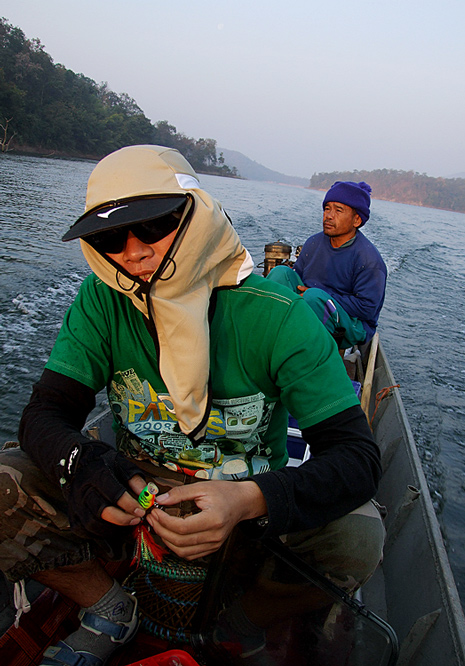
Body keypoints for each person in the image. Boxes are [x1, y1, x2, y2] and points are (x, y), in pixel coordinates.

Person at [0, 146, 384, 666]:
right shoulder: (101, 300)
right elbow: (43, 415)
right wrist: (86, 464)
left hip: (245, 513)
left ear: (193, 217)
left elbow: (356, 458)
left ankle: (241, 620)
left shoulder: (279, 318)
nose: (132, 252)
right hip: (132, 496)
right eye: (110, 237)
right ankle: (107, 605)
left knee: (358, 537)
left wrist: (249, 500)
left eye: (152, 226)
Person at [267, 181, 387, 347]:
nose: (329, 216)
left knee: (314, 298)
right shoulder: (314, 243)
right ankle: (268, 338)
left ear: (357, 220)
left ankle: (309, 355)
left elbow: (366, 308)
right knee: (280, 273)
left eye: (338, 210)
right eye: (327, 208)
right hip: (311, 303)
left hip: (353, 324)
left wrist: (321, 295)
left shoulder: (368, 260)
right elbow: (297, 277)